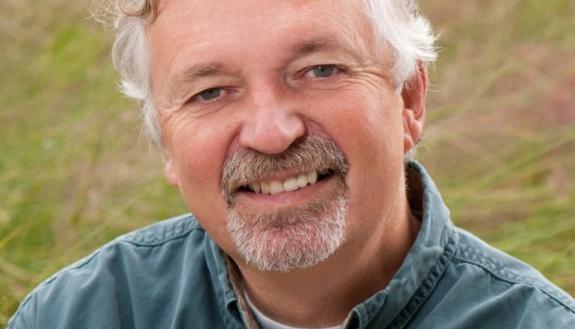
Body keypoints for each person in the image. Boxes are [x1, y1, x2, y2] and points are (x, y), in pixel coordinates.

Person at [8, 0, 575, 328]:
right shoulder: (80, 316)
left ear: (408, 99)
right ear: (166, 145)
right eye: (211, 92)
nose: (272, 134)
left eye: (320, 70)